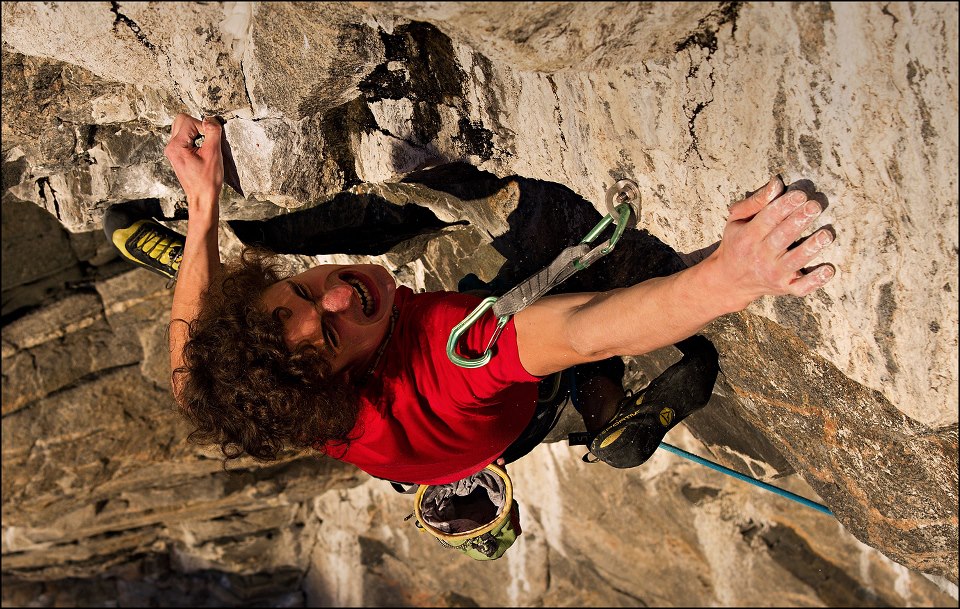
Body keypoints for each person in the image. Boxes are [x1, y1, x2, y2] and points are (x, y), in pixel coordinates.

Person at [104, 113, 836, 486]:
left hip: (456, 452)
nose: (335, 294)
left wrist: (202, 208)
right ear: (347, 380)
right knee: (544, 212)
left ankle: (596, 405)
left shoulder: (271, 394)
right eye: (331, 337)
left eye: (300, 287)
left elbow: (188, 371)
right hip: (494, 407)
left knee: (393, 232)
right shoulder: (448, 359)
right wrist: (733, 276)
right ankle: (597, 397)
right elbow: (583, 329)